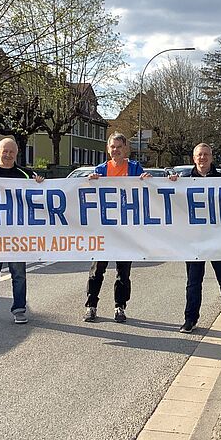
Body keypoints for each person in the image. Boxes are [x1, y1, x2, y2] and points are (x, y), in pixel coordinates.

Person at [168, 143, 221, 333]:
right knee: (193, 281)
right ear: (194, 158)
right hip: (194, 241)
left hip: (218, 239)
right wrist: (170, 182)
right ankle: (190, 319)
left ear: (211, 157)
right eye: (199, 155)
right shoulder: (183, 181)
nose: (203, 158)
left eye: (206, 154)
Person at [0, 137, 45, 325]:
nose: (8, 154)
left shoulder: (25, 174)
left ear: (17, 153)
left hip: (17, 234)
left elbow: (41, 196)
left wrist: (39, 183)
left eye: (11, 151)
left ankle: (19, 310)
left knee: (18, 274)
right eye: (5, 151)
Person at [83, 133, 151, 323]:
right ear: (108, 149)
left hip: (126, 230)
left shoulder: (135, 168)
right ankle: (91, 306)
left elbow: (148, 189)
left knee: (123, 272)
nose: (116, 150)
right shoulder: (101, 170)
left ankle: (120, 306)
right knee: (97, 270)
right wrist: (89, 181)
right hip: (104, 229)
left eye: (119, 147)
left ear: (125, 148)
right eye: (113, 147)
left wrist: (148, 180)